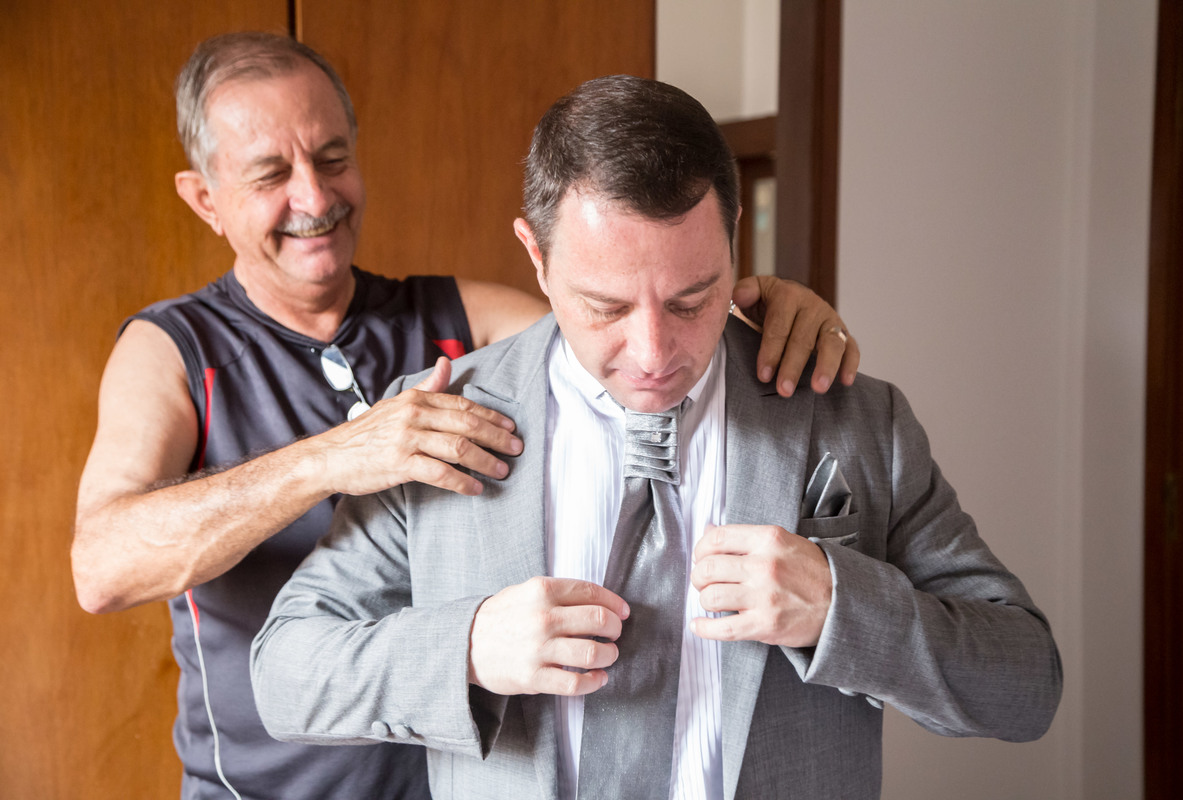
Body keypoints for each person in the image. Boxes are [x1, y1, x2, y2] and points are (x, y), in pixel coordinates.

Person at [70, 34, 860, 800]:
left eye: (333, 158)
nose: (314, 197)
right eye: (271, 173)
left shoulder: (457, 316)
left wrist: (759, 306)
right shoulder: (171, 348)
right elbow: (101, 568)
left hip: (457, 768)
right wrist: (334, 458)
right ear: (205, 198)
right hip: (268, 784)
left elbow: (618, 334)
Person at [250, 75, 1062, 800]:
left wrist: (841, 609)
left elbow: (1027, 685)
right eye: (605, 306)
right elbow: (285, 677)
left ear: (735, 242)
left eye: (691, 299)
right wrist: (462, 648)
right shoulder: (435, 422)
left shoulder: (851, 418)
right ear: (536, 257)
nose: (653, 355)